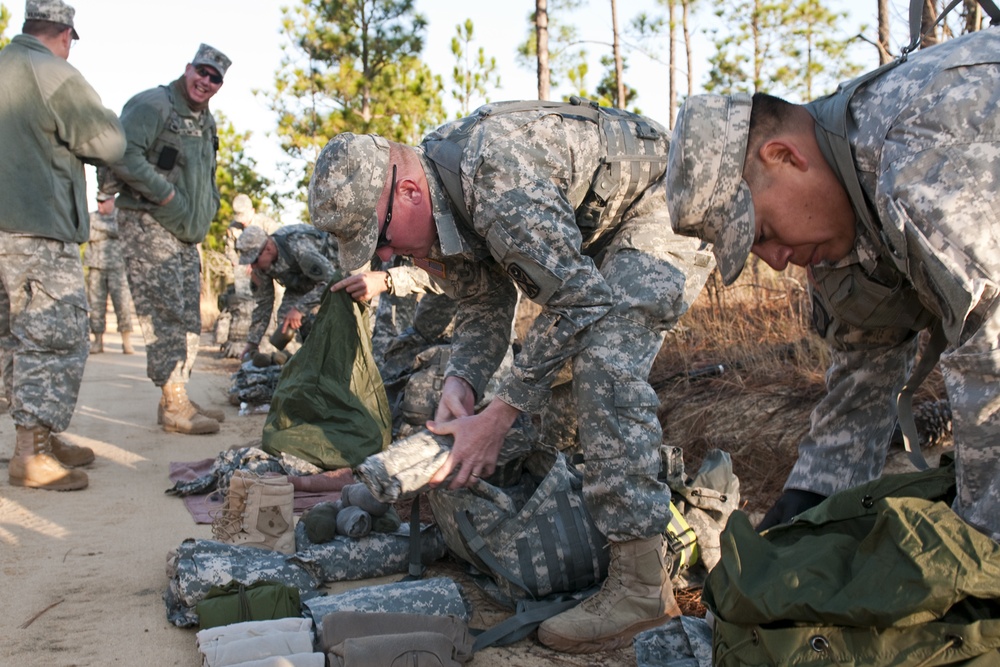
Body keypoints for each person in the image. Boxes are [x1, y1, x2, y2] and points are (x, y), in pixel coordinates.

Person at [308, 100, 716, 653]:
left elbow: (578, 302)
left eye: (379, 240)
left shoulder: (495, 176)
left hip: (662, 203)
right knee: (548, 376)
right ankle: (595, 496)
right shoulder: (440, 203)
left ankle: (642, 585)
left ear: (407, 192)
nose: (385, 257)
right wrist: (464, 384)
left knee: (602, 361)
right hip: (598, 238)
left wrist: (499, 415)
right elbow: (483, 305)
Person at [664, 29, 1000, 542]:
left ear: (785, 157)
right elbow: (862, 385)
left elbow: (992, 362)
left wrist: (978, 563)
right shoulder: (840, 230)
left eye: (765, 235)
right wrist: (810, 505)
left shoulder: (914, 157)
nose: (776, 263)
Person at [0, 0, 125, 490]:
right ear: (66, 33)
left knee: (12, 338)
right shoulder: (51, 73)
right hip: (38, 232)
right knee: (52, 336)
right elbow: (108, 143)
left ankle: (40, 438)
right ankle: (30, 452)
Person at [106, 43, 231, 435]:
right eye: (203, 72)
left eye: (215, 79)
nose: (206, 82)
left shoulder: (206, 119)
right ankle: (174, 402)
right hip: (150, 222)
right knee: (164, 312)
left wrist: (208, 206)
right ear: (188, 68)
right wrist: (165, 194)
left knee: (187, 316)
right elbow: (122, 154)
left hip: (185, 233)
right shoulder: (153, 105)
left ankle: (176, 396)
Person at [235, 224, 341, 359]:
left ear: (268, 248)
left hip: (334, 279)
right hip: (301, 286)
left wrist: (300, 308)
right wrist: (252, 342)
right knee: (285, 321)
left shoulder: (299, 247)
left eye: (254, 260)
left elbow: (331, 281)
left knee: (323, 322)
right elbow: (263, 304)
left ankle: (324, 359)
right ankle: (296, 363)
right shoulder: (261, 268)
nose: (252, 266)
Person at [84, 192, 135, 355]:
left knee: (122, 305)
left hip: (117, 268)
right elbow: (87, 235)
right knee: (95, 306)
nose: (99, 205)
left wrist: (100, 228)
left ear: (112, 201)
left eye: (103, 202)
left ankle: (126, 342)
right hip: (96, 267)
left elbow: (123, 232)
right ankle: (97, 342)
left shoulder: (121, 216)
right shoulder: (91, 217)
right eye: (97, 202)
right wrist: (109, 231)